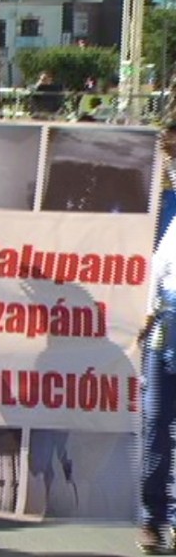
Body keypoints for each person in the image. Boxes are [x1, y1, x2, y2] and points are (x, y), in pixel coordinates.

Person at [138, 129, 176, 553]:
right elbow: (159, 270)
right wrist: (148, 316)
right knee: (156, 430)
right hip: (166, 335)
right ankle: (152, 519)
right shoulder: (171, 216)